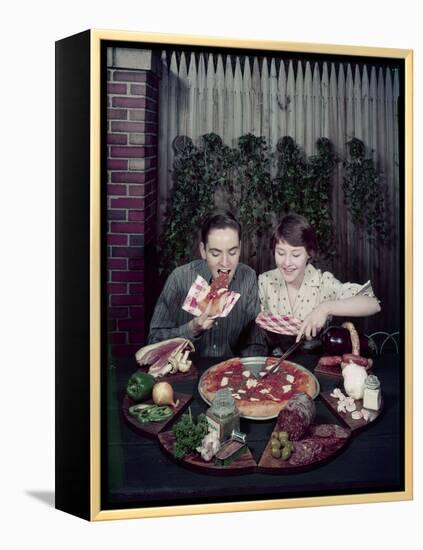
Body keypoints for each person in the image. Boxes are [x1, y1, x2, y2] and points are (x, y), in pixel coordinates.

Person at [148, 209, 266, 358]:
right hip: (186, 373)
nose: (225, 262)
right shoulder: (179, 279)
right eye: (215, 253)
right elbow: (153, 341)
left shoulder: (248, 278)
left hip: (230, 374)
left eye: (232, 252)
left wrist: (243, 372)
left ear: (240, 248)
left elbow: (255, 343)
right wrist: (192, 328)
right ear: (203, 250)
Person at [258, 213, 381, 344]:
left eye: (296, 254)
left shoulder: (323, 282)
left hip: (315, 361)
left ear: (309, 254)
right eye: (281, 253)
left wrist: (325, 308)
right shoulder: (265, 281)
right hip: (274, 362)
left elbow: (372, 303)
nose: (287, 262)